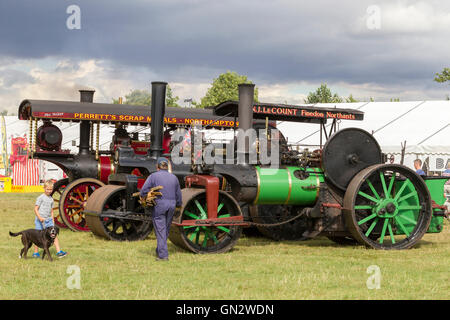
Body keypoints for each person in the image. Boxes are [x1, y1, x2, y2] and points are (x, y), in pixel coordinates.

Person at [140, 157, 182, 261]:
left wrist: (146, 196)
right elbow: (179, 195)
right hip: (172, 205)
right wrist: (178, 205)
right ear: (167, 167)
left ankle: (163, 256)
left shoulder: (153, 176)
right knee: (165, 229)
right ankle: (160, 249)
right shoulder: (174, 178)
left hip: (160, 205)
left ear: (157, 167)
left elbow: (143, 191)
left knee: (160, 230)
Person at [33, 180, 67, 258]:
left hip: (48, 220)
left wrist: (52, 220)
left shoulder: (51, 199)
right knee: (38, 236)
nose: (49, 191)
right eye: (47, 189)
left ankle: (59, 252)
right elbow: (35, 209)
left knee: (54, 235)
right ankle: (35, 253)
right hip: (40, 220)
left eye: (50, 189)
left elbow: (51, 211)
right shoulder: (40, 198)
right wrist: (40, 218)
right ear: (44, 188)